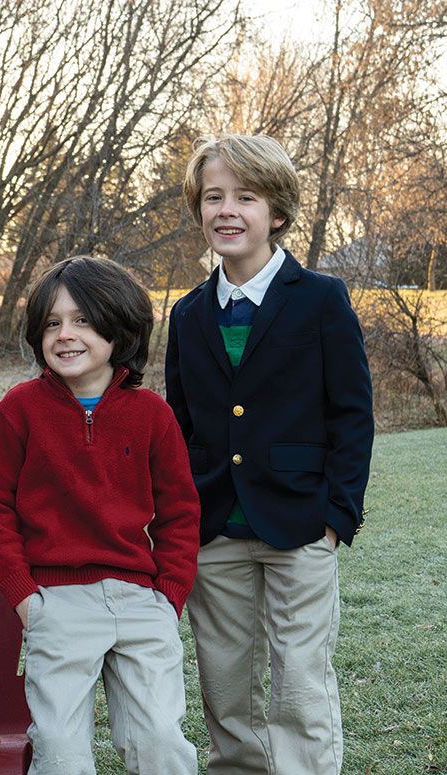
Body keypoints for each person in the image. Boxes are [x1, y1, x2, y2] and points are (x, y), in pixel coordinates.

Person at [165, 133, 374, 775]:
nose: (227, 210)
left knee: (300, 687)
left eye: (245, 197)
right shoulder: (189, 314)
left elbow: (352, 413)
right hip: (216, 528)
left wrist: (338, 517)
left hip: (301, 524)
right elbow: (180, 423)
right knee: (227, 691)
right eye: (213, 197)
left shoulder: (320, 299)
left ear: (276, 212)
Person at [0, 256, 201, 775]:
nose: (65, 334)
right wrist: (26, 599)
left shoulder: (152, 414)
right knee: (59, 752)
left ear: (118, 325)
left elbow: (180, 512)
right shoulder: (20, 408)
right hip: (55, 602)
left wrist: (169, 596)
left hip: (140, 601)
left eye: (81, 319)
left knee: (161, 744)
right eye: (52, 323)